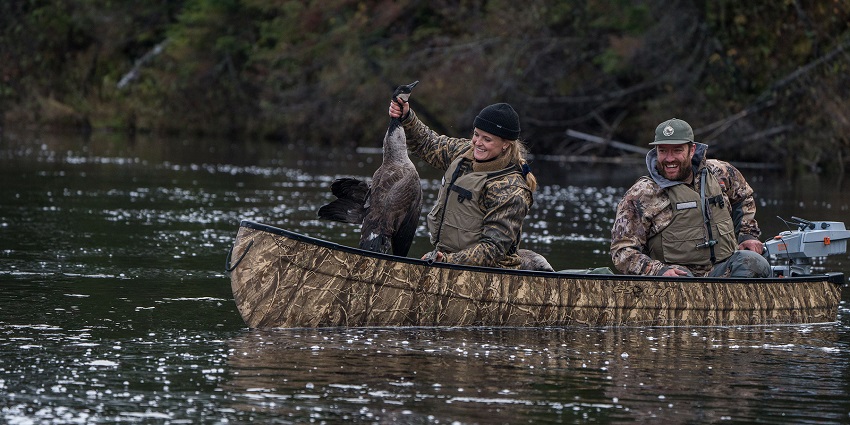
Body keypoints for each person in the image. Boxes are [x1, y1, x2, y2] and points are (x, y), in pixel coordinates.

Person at [610, 118, 771, 278]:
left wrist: (747, 235)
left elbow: (743, 196)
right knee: (681, 281)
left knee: (756, 263)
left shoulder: (720, 172)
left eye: (677, 150)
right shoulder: (641, 194)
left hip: (722, 270)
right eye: (663, 150)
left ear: (692, 150)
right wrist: (657, 270)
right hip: (676, 278)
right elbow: (621, 250)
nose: (669, 158)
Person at [388, 97, 538, 269]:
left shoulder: (511, 190)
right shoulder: (465, 152)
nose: (477, 143)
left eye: (487, 139)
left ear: (505, 145)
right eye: (476, 134)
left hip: (491, 275)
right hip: (445, 262)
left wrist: (447, 261)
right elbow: (428, 144)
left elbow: (493, 250)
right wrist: (407, 117)